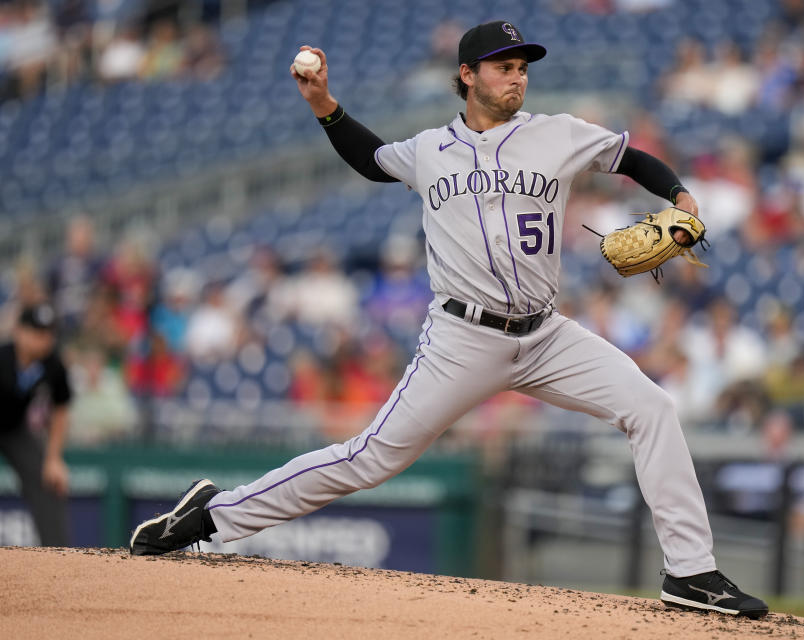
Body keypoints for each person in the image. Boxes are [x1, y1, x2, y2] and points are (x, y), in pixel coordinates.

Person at [129, 21, 768, 618]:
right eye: (504, 68)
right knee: (368, 459)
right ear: (467, 75)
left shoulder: (560, 133)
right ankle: (216, 515)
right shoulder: (429, 150)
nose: (517, 78)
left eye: (523, 68)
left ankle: (690, 573)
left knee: (651, 407)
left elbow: (632, 160)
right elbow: (369, 157)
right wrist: (323, 102)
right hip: (462, 338)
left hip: (546, 334)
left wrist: (680, 197)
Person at [0, 304, 72, 545]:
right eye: (37, 332)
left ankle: (57, 555)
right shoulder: (3, 357)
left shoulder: (52, 364)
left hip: (14, 429)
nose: (44, 339)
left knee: (49, 480)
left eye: (48, 333)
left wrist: (54, 458)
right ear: (19, 331)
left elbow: (61, 407)